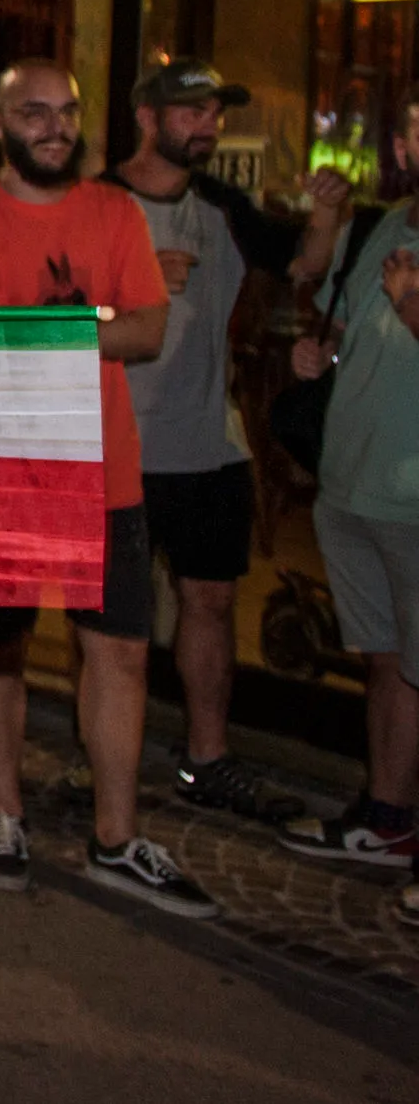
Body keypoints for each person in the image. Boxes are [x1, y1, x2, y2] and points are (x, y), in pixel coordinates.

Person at [0, 59, 218, 916]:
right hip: (7, 472)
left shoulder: (114, 211)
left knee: (121, 651)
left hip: (107, 472)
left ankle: (116, 837)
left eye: (67, 111)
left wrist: (56, 329)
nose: (55, 125)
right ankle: (6, 812)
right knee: (1, 647)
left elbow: (148, 329)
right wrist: (90, 320)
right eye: (34, 111)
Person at [107, 58, 348, 821]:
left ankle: (206, 759)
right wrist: (132, 284)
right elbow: (50, 306)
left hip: (209, 442)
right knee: (118, 619)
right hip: (118, 443)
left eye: (215, 112)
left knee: (209, 602)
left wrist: (328, 212)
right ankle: (107, 756)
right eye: (192, 113)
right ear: (147, 117)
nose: (208, 125)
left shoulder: (224, 205)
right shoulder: (99, 203)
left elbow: (303, 261)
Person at [280, 82, 419, 934]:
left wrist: (413, 305)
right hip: (353, 481)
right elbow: (322, 297)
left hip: (413, 494)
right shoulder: (385, 223)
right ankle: (387, 816)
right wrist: (318, 354)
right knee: (389, 660)